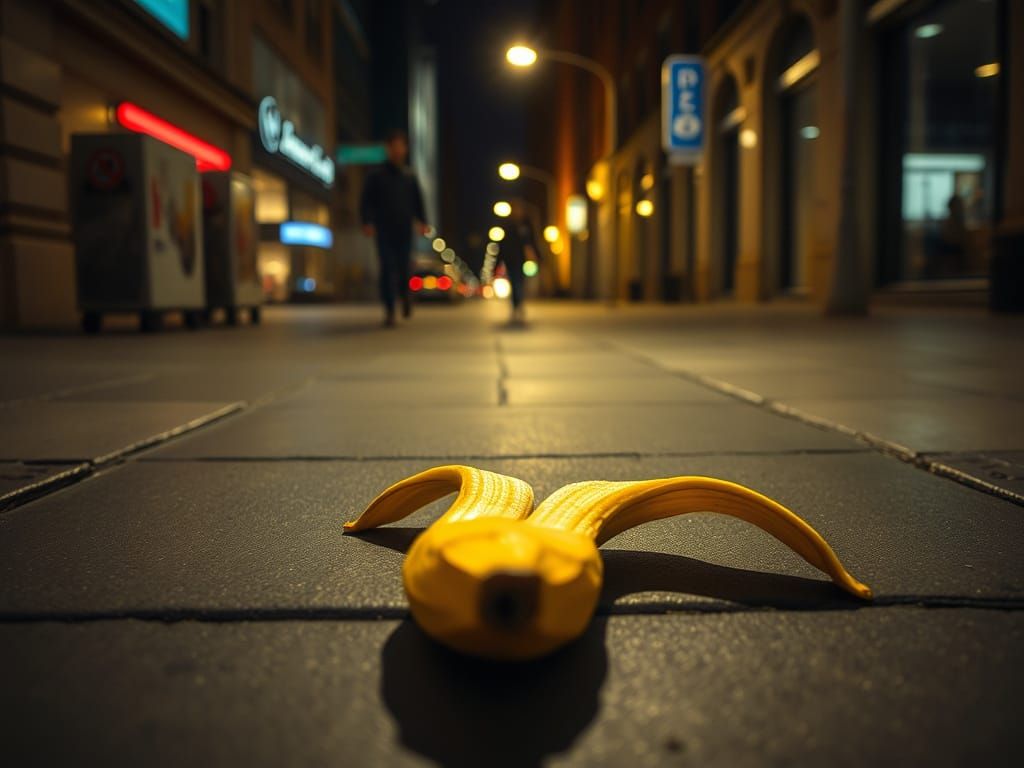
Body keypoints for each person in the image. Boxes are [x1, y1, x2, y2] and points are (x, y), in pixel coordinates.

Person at [360, 130, 429, 326]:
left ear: (405, 150)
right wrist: (367, 222)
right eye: (394, 146)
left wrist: (422, 222)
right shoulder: (376, 175)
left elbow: (418, 202)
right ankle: (390, 309)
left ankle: (405, 296)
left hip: (404, 229)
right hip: (383, 229)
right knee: (387, 268)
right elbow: (366, 201)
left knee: (403, 267)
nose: (398, 150)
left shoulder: (409, 176)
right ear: (388, 149)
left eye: (401, 146)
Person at [501, 199, 540, 324]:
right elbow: (503, 245)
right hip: (511, 260)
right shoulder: (508, 225)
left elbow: (532, 241)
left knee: (520, 282)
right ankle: (516, 305)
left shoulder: (526, 224)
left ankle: (519, 304)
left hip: (522, 259)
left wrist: (538, 256)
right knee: (515, 283)